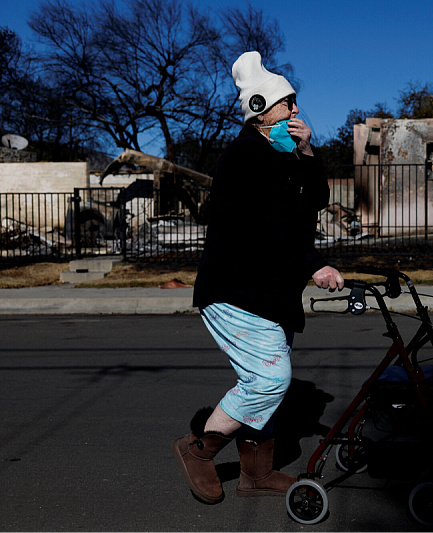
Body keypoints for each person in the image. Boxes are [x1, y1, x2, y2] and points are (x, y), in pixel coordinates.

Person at [171, 50, 344, 505]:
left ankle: (257, 472)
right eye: (289, 103)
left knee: (269, 384)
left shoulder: (277, 155)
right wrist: (314, 265)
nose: (296, 111)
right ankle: (199, 450)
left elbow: (313, 204)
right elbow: (275, 227)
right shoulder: (246, 158)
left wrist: (307, 152)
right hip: (235, 290)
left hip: (268, 293)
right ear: (260, 110)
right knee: (268, 381)